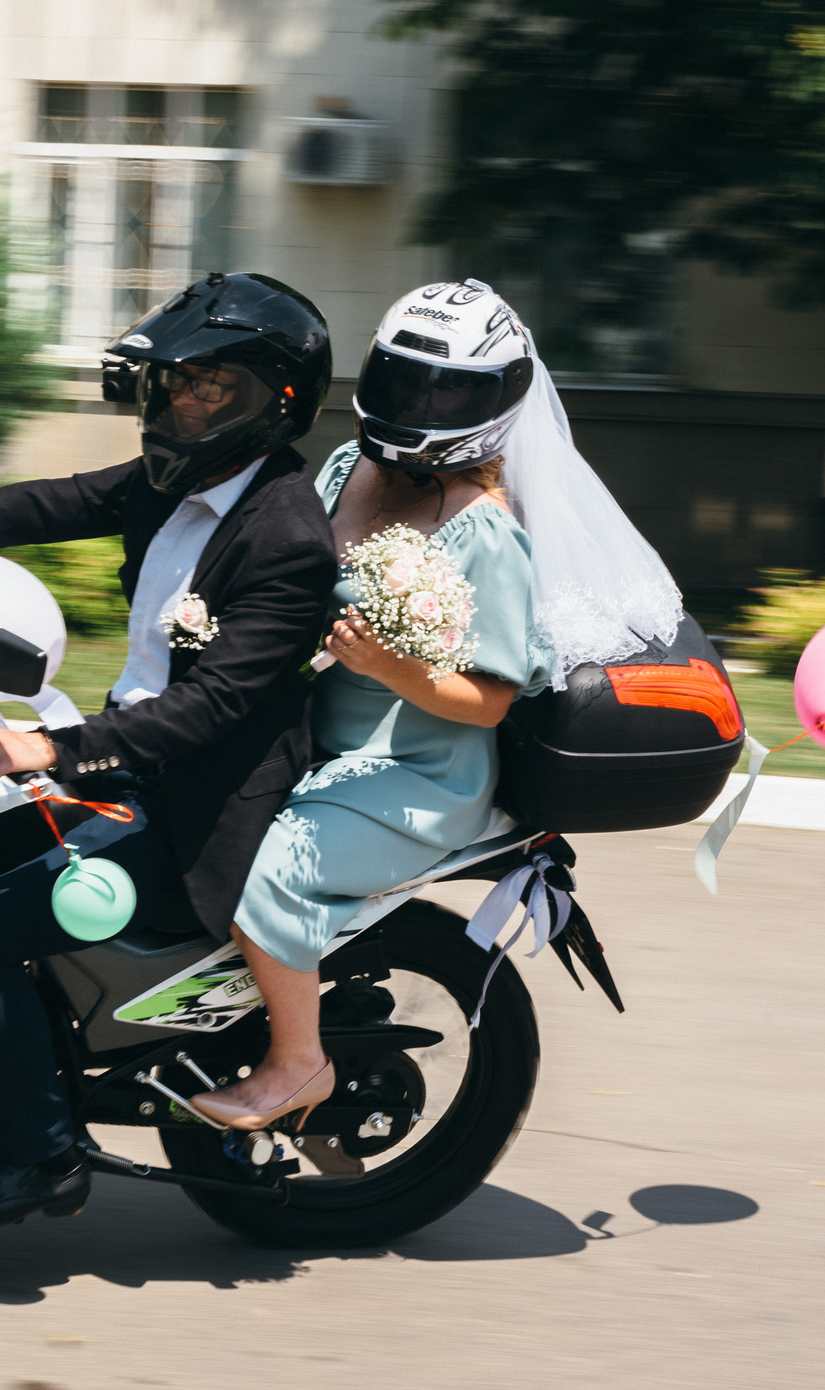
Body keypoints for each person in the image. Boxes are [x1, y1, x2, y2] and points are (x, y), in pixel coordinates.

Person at [186, 279, 685, 1132]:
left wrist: (387, 661)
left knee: (266, 868)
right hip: (315, 737)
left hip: (416, 769)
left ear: (498, 403)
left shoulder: (482, 531)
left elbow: (486, 700)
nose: (419, 403)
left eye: (447, 389)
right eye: (404, 377)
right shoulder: (350, 468)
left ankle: (297, 1062)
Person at [0, 271, 340, 1226]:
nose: (183, 400)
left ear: (274, 400)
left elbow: (214, 708)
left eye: (210, 386)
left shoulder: (286, 535)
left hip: (197, 803)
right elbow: (43, 506)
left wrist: (52, 749)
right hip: (132, 765)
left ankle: (42, 1158)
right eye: (177, 382)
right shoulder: (175, 480)